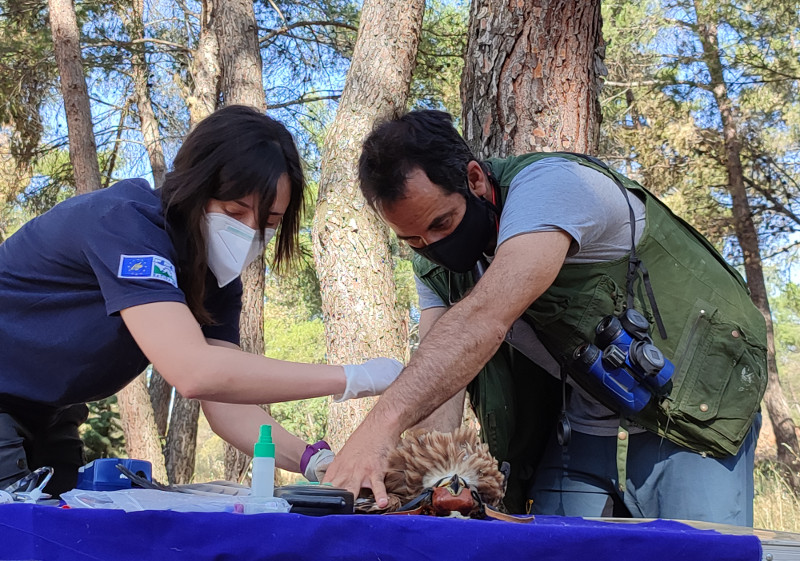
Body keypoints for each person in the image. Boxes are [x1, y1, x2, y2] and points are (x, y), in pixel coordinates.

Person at [324, 109, 768, 526]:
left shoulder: (552, 186)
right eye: (413, 239)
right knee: (545, 549)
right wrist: (430, 477)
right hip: (582, 430)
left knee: (699, 553)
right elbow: (442, 374)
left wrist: (378, 429)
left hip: (689, 416)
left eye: (442, 223)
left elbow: (483, 319)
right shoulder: (435, 266)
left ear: (474, 178)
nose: (433, 245)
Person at [0, 105, 402, 496]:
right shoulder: (124, 225)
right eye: (234, 210)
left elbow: (224, 402)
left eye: (268, 223)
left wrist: (313, 461)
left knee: (58, 530)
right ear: (193, 186)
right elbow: (194, 372)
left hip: (52, 413)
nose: (248, 233)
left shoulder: (215, 279)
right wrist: (353, 377)